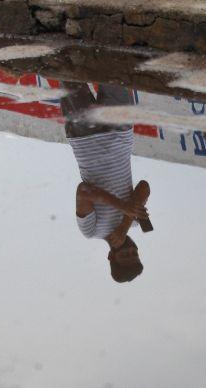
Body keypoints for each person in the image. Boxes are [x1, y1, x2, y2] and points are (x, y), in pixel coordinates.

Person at [61, 81, 152, 283]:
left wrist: (123, 207)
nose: (130, 250)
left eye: (125, 255)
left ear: (111, 256)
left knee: (68, 71)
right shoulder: (135, 221)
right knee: (114, 73)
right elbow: (144, 187)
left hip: (84, 138)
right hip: (119, 134)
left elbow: (83, 191)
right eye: (134, 253)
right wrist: (125, 223)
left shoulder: (91, 231)